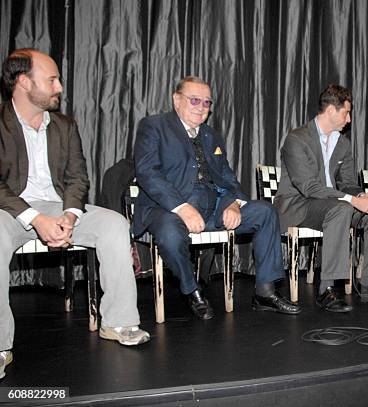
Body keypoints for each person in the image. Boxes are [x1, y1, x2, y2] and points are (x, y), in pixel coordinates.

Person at [0, 49, 150, 378]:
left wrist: (68, 216)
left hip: (57, 206)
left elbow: (78, 179)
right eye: (52, 79)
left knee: (114, 223)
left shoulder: (65, 125)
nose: (60, 86)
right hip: (9, 208)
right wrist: (36, 220)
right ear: (24, 82)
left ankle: (119, 321)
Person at [133, 76, 300, 320]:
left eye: (207, 102)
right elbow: (148, 173)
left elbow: (226, 177)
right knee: (169, 234)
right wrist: (182, 208)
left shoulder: (211, 135)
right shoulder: (153, 126)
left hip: (212, 209)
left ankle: (264, 292)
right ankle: (192, 291)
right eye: (194, 100)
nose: (201, 107)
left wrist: (232, 203)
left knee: (265, 212)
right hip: (167, 209)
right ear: (176, 100)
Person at [274, 85, 368, 311]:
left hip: (332, 204)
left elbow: (347, 181)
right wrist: (351, 200)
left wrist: (360, 195)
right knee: (342, 209)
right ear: (330, 111)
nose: (348, 119)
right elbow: (308, 187)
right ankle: (327, 290)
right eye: (346, 113)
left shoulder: (343, 143)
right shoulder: (297, 139)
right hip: (299, 205)